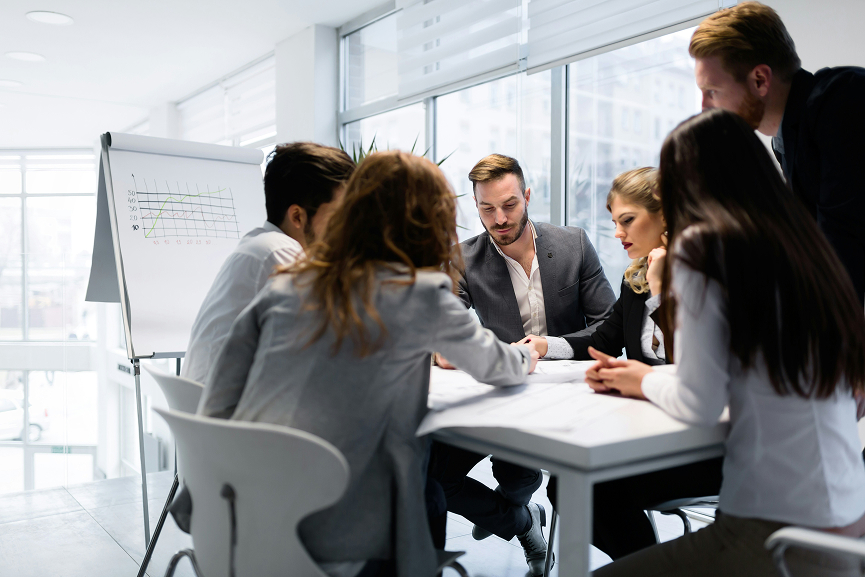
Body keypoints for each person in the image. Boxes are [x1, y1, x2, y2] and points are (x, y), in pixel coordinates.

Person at [197, 150, 540, 577]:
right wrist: (532, 351)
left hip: (237, 523)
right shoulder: (420, 293)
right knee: (424, 490)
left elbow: (216, 404)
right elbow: (500, 367)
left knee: (428, 488)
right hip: (336, 539)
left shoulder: (285, 285)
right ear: (430, 221)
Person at [589, 108, 865, 577]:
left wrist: (644, 381)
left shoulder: (702, 249)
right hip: (847, 525)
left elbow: (698, 402)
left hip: (773, 534)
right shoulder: (810, 251)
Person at [430, 153, 615, 576]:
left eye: (509, 205)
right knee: (435, 475)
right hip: (497, 389)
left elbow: (609, 323)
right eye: (486, 208)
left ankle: (512, 505)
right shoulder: (464, 257)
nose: (498, 218)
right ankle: (521, 521)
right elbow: (441, 331)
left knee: (514, 474)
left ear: (527, 196)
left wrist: (552, 346)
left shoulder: (573, 244)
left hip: (565, 393)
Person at [542, 167, 724, 561]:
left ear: (667, 216)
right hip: (652, 432)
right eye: (614, 223)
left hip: (704, 443)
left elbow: (695, 367)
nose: (618, 234)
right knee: (565, 484)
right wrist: (543, 346)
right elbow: (602, 338)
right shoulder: (636, 279)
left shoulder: (708, 278)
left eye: (628, 221)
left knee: (586, 487)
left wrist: (663, 290)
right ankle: (647, 564)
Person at [689, 1, 865, 303]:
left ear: (760, 80)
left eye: (712, 91)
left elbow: (841, 248)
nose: (704, 107)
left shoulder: (841, 100)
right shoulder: (787, 140)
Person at [181, 142, 354, 384]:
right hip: (231, 415)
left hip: (215, 406)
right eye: (339, 215)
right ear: (297, 216)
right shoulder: (279, 253)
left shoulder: (261, 245)